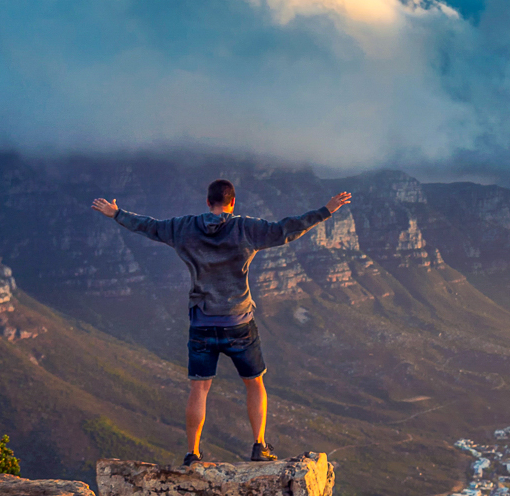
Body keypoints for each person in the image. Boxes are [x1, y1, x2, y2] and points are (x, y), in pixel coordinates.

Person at [91, 180, 351, 465]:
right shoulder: (245, 228)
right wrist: (326, 211)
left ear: (207, 202)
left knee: (199, 388)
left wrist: (117, 214)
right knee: (254, 384)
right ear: (233, 202)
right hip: (239, 321)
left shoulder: (184, 227)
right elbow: (285, 229)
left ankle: (193, 454)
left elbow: (150, 226)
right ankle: (259, 445)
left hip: (202, 321)